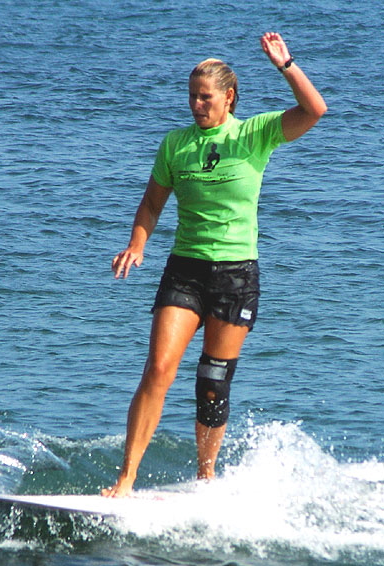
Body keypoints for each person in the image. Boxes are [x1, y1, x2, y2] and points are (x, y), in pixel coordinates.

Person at [102, 32, 327, 498]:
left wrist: (286, 66)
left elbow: (314, 110)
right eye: (191, 97)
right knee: (159, 369)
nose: (196, 106)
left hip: (236, 275)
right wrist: (137, 243)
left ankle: (206, 479)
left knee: (212, 382)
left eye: (205, 98)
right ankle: (126, 479)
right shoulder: (175, 144)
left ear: (229, 97)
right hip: (184, 270)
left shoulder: (254, 134)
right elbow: (150, 204)